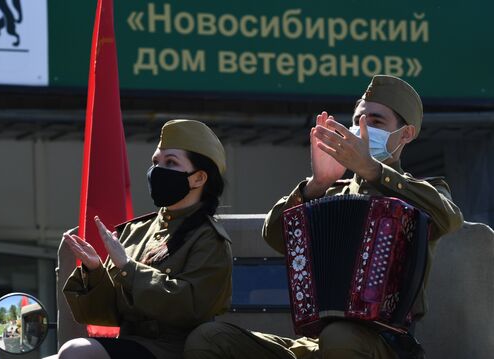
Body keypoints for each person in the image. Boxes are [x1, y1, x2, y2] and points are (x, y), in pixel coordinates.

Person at [183, 75, 463, 359]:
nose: (361, 129)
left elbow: (450, 217)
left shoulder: (421, 192)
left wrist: (374, 171)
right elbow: (276, 236)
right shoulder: (331, 194)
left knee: (339, 338)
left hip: (384, 345)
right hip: (320, 343)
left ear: (405, 134)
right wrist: (316, 183)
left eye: (376, 122)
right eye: (357, 120)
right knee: (209, 339)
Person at [56, 119, 233, 359]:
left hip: (177, 351)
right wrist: (94, 270)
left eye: (171, 162)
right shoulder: (136, 231)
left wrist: (128, 268)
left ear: (199, 178)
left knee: (75, 352)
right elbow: (104, 314)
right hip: (131, 345)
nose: (158, 170)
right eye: (155, 162)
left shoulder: (210, 239)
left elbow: (190, 306)